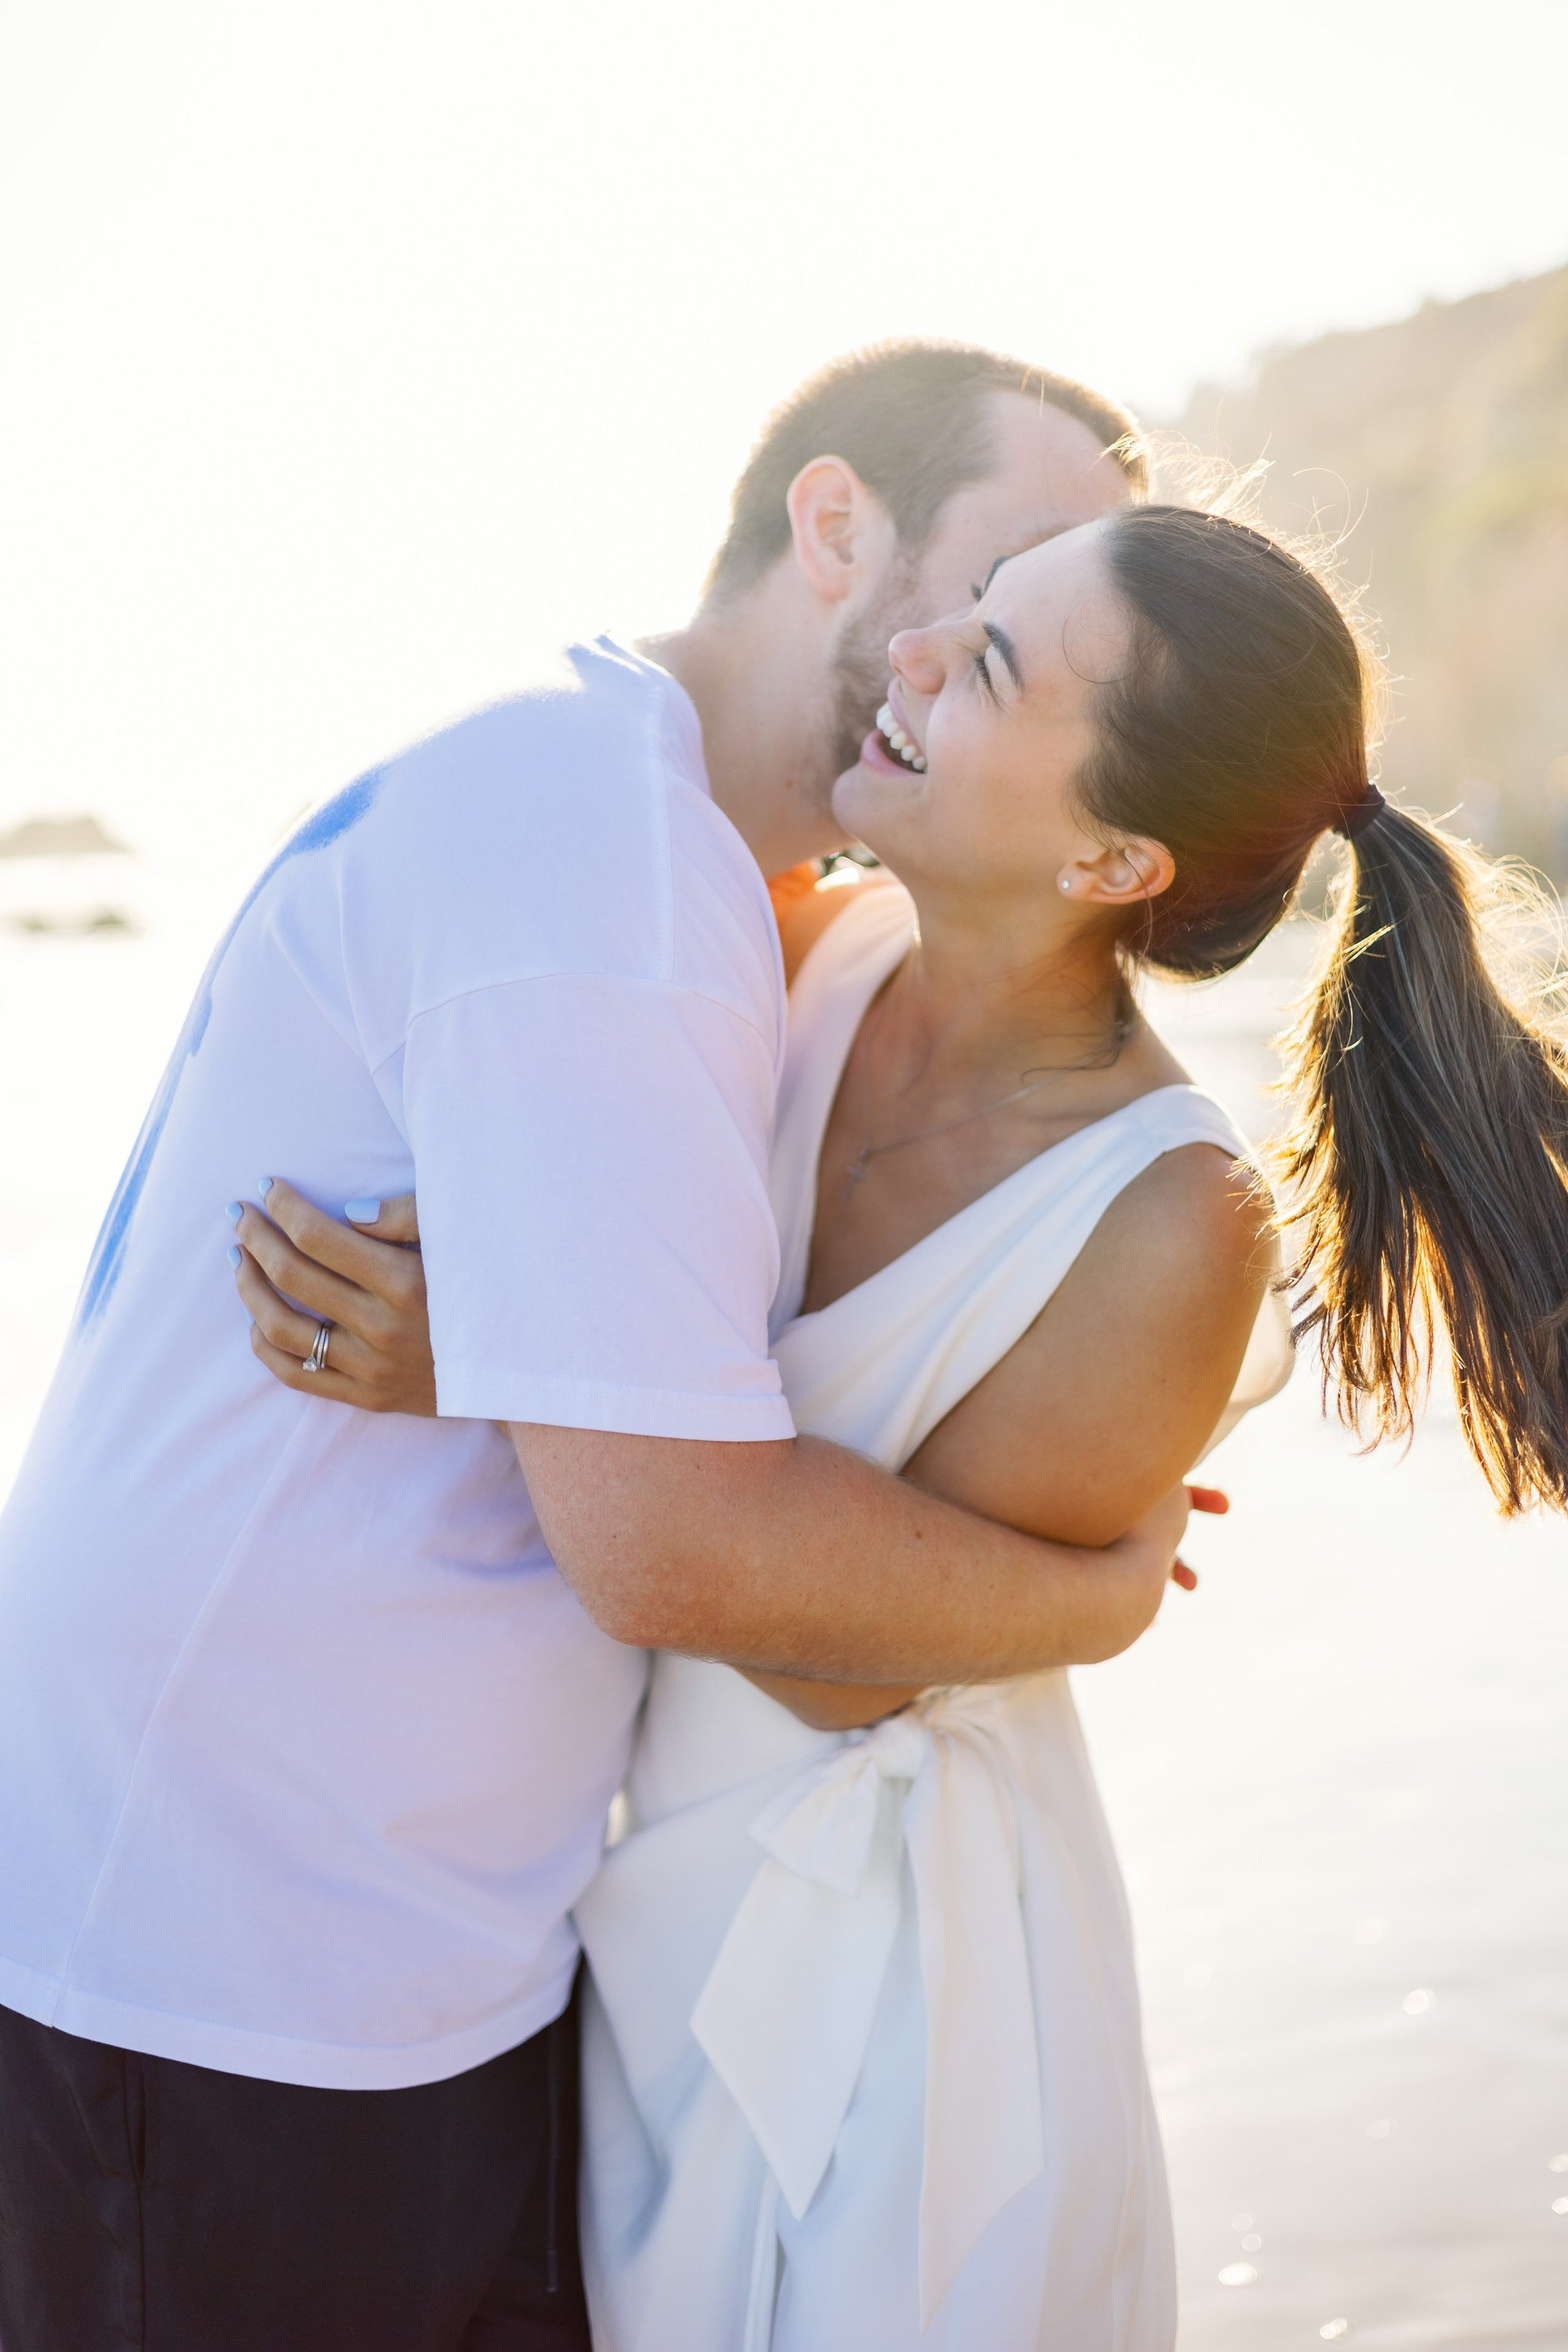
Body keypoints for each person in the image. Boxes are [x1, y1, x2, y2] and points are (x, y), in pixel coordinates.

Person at [0, 344, 1215, 2352]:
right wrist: (1090, 1579)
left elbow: (707, 1359)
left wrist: (1017, 1434)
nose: (978, 659)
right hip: (236, 1951)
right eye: (994, 587)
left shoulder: (706, 866)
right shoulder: (618, 876)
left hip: (405, 1935)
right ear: (836, 527)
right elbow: (676, 1540)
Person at [253, 502, 1568, 2347]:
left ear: (1116, 854)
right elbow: (679, 1397)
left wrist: (492, 1358)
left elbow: (839, 1667)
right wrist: (1087, 1586)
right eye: (968, 604)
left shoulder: (1170, 1218)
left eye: (997, 662)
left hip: (908, 2000)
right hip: (649, 1910)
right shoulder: (802, 953)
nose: (917, 651)